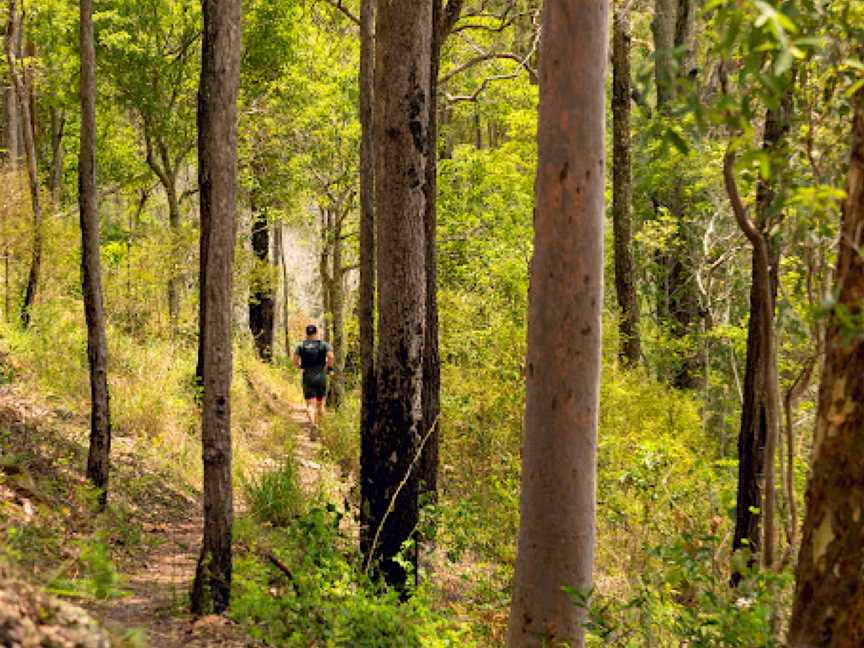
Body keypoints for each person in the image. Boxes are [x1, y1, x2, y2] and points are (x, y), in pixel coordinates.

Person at [293, 324, 335, 429]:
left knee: (310, 405)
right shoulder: (324, 345)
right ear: (316, 333)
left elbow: (295, 361)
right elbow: (331, 357)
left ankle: (313, 424)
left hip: (307, 377)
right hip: (321, 377)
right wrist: (329, 368)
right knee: (320, 405)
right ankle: (320, 427)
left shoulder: (301, 346)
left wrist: (299, 366)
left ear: (307, 334)